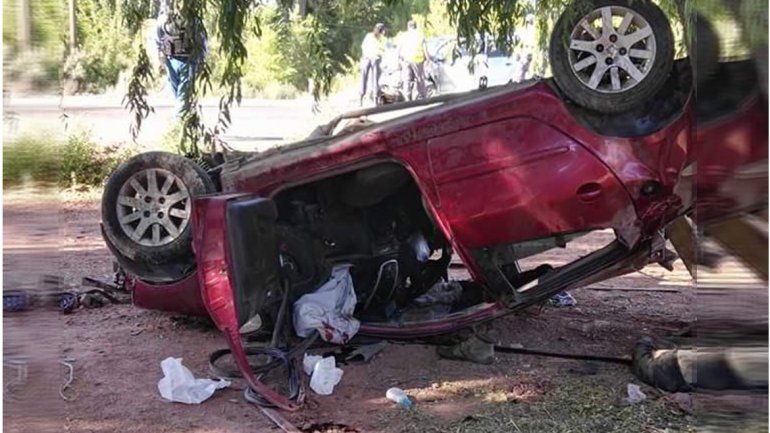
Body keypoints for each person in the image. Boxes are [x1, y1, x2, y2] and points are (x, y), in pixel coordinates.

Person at [155, 0, 208, 117]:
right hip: (171, 61)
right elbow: (158, 40)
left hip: (189, 61)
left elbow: (202, 40)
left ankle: (177, 125)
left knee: (183, 97)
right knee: (178, 96)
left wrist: (202, 60)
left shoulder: (193, 19)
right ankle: (186, 121)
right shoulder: (164, 18)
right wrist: (160, 61)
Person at [397, 20, 428, 100]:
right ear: (415, 26)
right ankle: (422, 95)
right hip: (417, 60)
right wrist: (428, 59)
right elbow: (425, 49)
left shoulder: (404, 36)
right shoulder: (420, 35)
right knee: (419, 78)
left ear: (408, 27)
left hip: (406, 60)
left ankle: (407, 97)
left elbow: (399, 49)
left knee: (407, 78)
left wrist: (398, 60)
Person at [359, 23, 387, 106]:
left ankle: (366, 99)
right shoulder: (379, 38)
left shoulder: (372, 36)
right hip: (372, 59)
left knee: (368, 79)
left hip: (370, 58)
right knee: (371, 79)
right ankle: (370, 99)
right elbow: (363, 46)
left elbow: (363, 46)